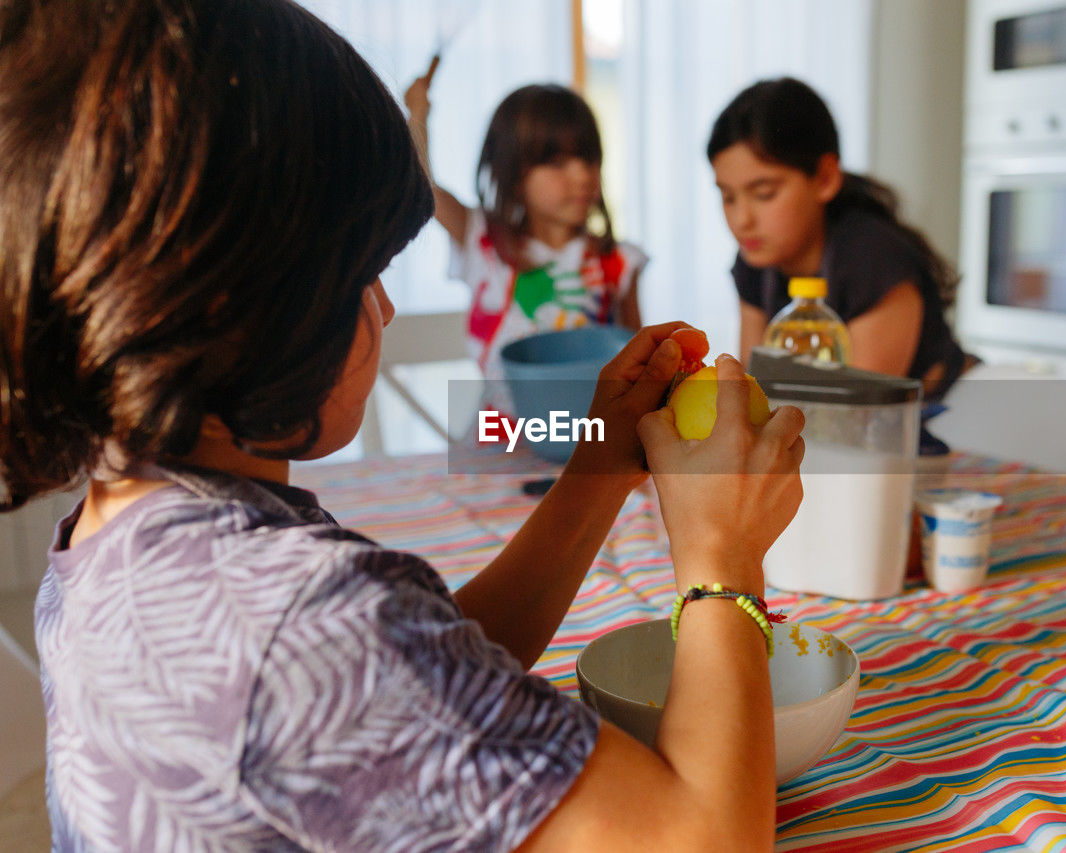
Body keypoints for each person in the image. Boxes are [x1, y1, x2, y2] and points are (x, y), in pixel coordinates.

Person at [0, 2, 805, 850]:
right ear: (235, 301)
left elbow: (426, 675)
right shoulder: (302, 624)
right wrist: (722, 560)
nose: (383, 303)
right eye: (365, 272)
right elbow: (703, 838)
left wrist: (598, 467)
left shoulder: (121, 538)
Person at [707, 77, 971, 400]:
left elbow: (856, 410)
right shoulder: (754, 258)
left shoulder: (874, 257)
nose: (741, 220)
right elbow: (753, 388)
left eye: (764, 193)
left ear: (825, 179)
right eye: (728, 197)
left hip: (953, 408)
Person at [404, 76, 645, 384]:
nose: (582, 174)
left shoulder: (620, 262)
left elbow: (640, 367)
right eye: (557, 162)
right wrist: (417, 115)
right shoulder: (483, 240)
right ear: (513, 174)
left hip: (589, 430)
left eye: (588, 158)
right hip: (498, 431)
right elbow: (422, 186)